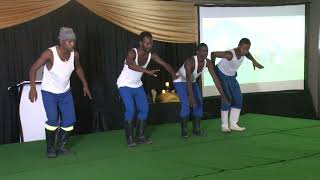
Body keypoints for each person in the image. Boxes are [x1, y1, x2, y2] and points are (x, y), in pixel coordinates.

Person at [29, 27, 92, 158]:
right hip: (49, 92)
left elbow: (78, 67)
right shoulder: (49, 53)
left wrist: (85, 84)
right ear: (61, 41)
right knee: (52, 120)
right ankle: (51, 148)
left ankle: (62, 146)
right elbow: (33, 69)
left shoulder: (75, 54)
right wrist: (33, 88)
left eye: (73, 41)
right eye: (68, 41)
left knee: (69, 120)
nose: (72, 44)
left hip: (65, 92)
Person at [117, 31, 178, 147]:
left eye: (151, 43)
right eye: (147, 43)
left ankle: (140, 137)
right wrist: (147, 71)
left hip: (137, 84)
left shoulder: (152, 55)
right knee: (131, 109)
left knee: (144, 109)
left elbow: (165, 64)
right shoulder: (132, 52)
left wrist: (173, 74)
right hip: (124, 84)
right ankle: (129, 139)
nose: (149, 46)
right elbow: (131, 65)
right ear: (141, 43)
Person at [174, 43, 228, 138]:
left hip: (192, 81)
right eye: (203, 51)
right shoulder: (190, 61)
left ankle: (196, 129)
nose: (205, 53)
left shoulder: (208, 62)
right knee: (186, 105)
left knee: (199, 103)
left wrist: (222, 95)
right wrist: (190, 97)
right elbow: (188, 80)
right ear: (197, 52)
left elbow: (215, 79)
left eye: (206, 51)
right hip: (180, 81)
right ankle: (184, 130)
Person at [211, 38, 264, 132]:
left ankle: (233, 124)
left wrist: (254, 61)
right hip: (221, 75)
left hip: (231, 76)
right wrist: (212, 67)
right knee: (227, 99)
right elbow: (213, 54)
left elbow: (248, 54)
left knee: (238, 98)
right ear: (239, 46)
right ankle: (224, 126)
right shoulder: (229, 54)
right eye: (244, 48)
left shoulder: (244, 52)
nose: (246, 51)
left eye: (248, 49)